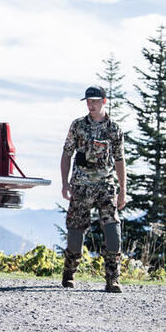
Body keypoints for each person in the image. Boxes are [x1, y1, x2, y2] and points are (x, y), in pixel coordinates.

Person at [60, 85, 126, 293]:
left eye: (96, 101)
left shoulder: (114, 129)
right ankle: (69, 273)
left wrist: (123, 189)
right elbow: (66, 154)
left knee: (113, 229)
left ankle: (112, 279)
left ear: (104, 101)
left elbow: (119, 159)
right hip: (80, 186)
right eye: (88, 101)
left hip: (106, 186)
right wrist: (64, 183)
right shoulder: (78, 126)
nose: (91, 104)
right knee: (75, 232)